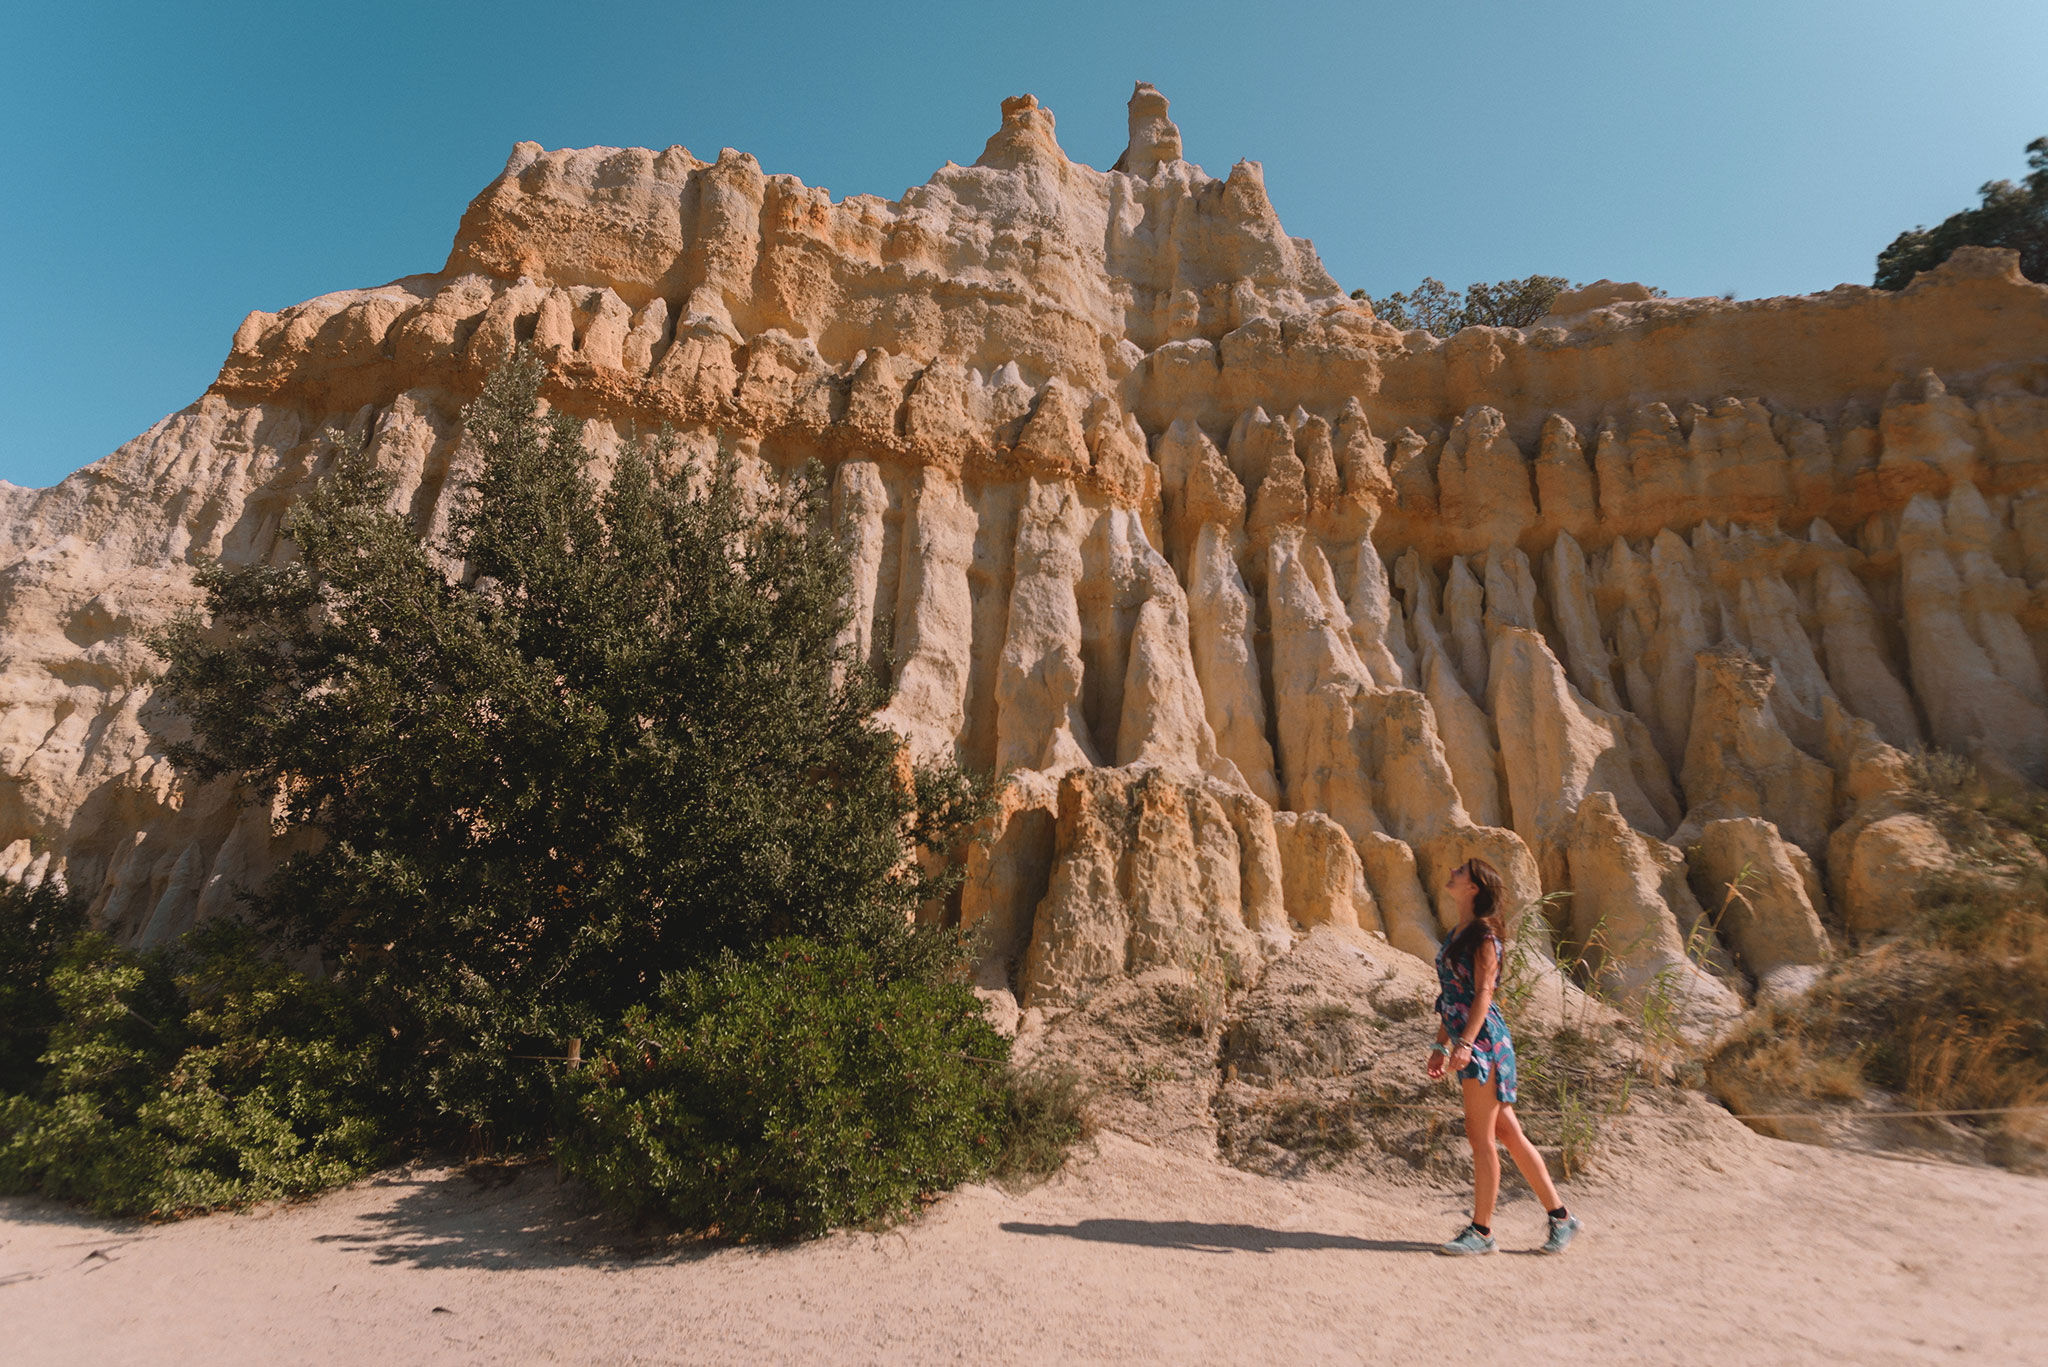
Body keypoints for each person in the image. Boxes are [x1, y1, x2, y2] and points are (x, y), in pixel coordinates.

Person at [1426, 856, 1582, 1256]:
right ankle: (1562, 1219)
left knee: (1481, 1139)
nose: (1452, 872)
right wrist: (1441, 1043)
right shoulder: (1457, 933)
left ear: (1474, 887)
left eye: (1459, 871)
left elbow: (1483, 994)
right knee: (1508, 1133)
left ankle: (1481, 1232)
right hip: (1470, 1040)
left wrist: (1464, 1044)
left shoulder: (1484, 936)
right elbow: (1451, 997)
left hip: (1485, 1045)